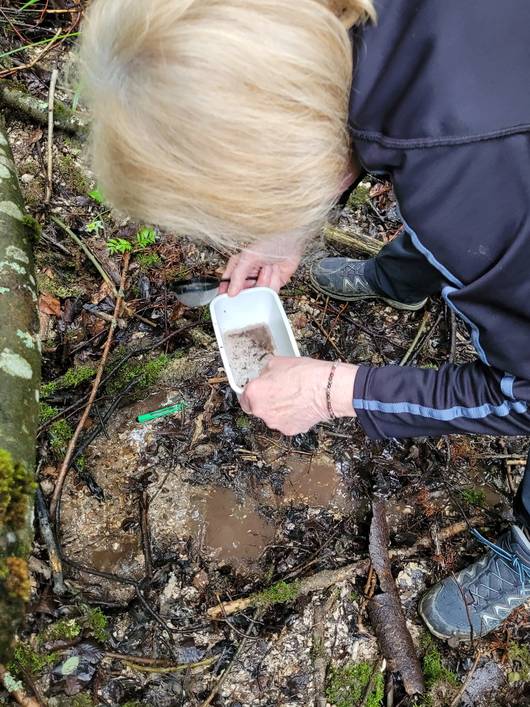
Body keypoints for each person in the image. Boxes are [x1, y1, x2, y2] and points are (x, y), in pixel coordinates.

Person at [80, 0, 530, 642]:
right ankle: (399, 280)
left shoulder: (483, 190)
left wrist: (333, 391)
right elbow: (395, 100)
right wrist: (287, 223)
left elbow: (524, 393)